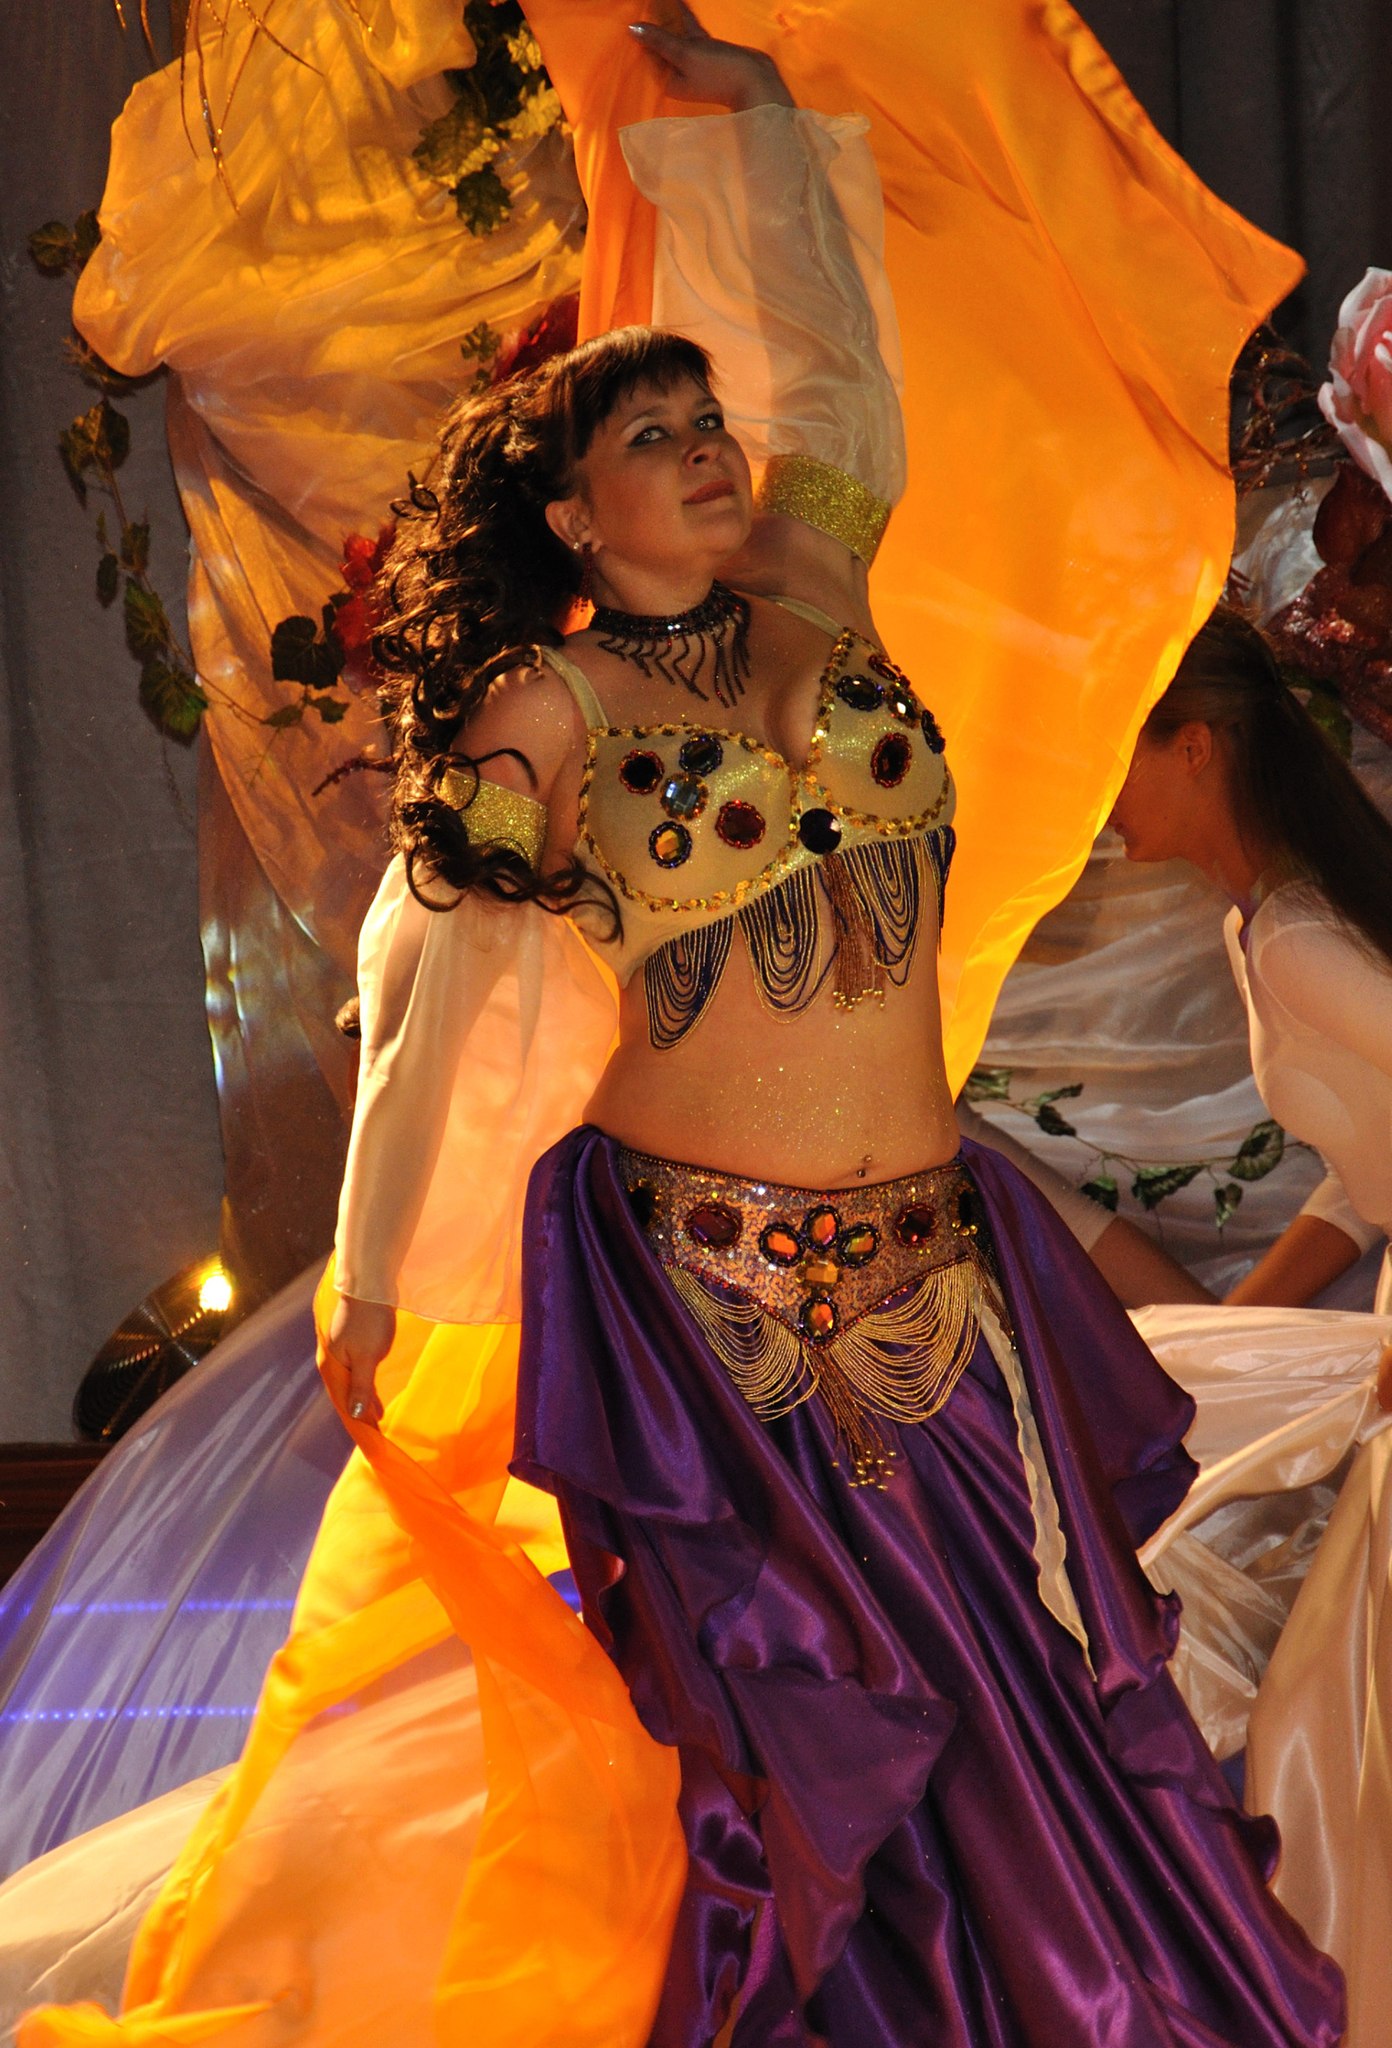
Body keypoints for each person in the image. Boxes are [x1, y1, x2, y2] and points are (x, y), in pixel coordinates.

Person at [17, 16, 1341, 2048]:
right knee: (821, 1743)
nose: (711, 449)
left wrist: (759, 130)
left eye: (706, 423)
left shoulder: (820, 592)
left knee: (1021, 1714)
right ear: (570, 513)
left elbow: (835, 365)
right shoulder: (543, 718)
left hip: (942, 1288)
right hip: (726, 1319)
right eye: (653, 437)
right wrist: (375, 1271)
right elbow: (435, 989)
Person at [1110, 603, 1392, 1318]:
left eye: (1114, 758)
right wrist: (1222, 1330)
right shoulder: (1255, 926)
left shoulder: (1294, 936)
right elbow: (1370, 1174)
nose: (1098, 794)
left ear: (1192, 747)